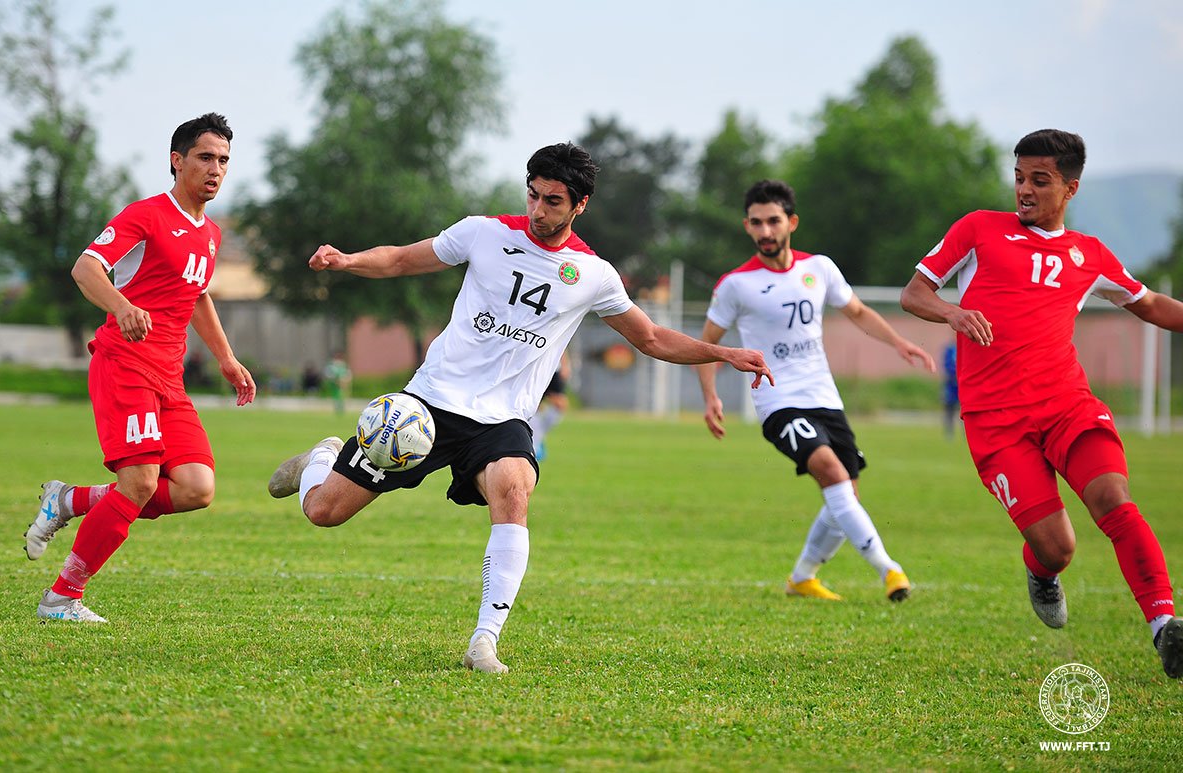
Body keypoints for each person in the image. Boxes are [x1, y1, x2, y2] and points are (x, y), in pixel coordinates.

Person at [267, 142, 773, 673]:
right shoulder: (483, 233)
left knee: (513, 489)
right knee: (324, 512)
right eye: (532, 195)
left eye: (553, 201)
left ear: (580, 205)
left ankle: (483, 642)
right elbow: (398, 258)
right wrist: (347, 260)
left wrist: (722, 352)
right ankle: (321, 458)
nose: (538, 210)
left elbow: (650, 338)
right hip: (429, 404)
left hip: (502, 419)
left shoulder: (593, 274)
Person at [900, 128, 1183, 678]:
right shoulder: (979, 230)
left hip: (1066, 405)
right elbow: (915, 293)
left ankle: (1164, 625)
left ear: (1070, 189)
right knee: (1058, 549)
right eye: (1019, 177)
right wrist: (953, 313)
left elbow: (1149, 304)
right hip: (996, 423)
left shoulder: (1090, 255)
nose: (1024, 190)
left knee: (1113, 498)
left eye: (1040, 180)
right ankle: (1041, 570)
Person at [24, 113, 256, 623]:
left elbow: (196, 297)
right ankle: (62, 597)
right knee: (141, 483)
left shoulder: (211, 234)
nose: (215, 169)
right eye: (205, 158)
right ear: (177, 161)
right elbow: (85, 268)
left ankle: (71, 500)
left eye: (223, 161)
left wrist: (225, 357)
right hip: (124, 365)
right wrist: (120, 306)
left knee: (197, 488)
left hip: (169, 379)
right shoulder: (146, 216)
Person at [696, 180, 934, 604]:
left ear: (791, 222)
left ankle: (803, 577)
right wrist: (710, 395)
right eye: (756, 223)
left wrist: (898, 342)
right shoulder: (736, 284)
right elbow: (710, 342)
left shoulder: (819, 268)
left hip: (825, 397)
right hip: (777, 402)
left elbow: (857, 310)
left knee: (846, 496)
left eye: (773, 221)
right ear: (747, 227)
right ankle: (890, 570)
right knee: (833, 473)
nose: (765, 231)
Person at [530, 350, 571, 460]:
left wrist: (565, 364)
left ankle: (536, 437)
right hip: (535, 367)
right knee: (533, 406)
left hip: (554, 368)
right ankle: (534, 444)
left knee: (560, 404)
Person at [942, 340, 958, 440]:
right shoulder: (950, 349)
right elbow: (946, 364)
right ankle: (949, 433)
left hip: (963, 384)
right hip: (951, 384)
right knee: (949, 409)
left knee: (965, 410)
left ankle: (966, 433)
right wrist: (954, 375)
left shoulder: (969, 347)